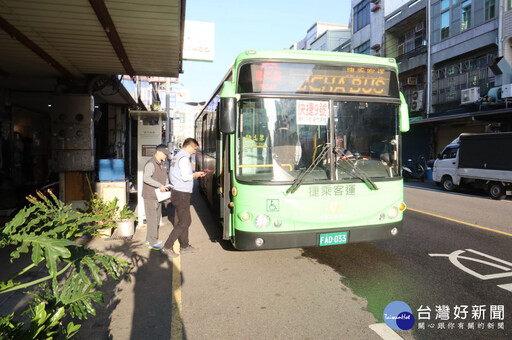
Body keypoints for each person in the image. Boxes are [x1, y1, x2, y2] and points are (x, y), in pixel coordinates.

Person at [161, 138, 205, 258]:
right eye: (194, 149)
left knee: (185, 221)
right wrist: (195, 175)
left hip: (178, 192)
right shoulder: (184, 158)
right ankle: (167, 246)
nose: (194, 152)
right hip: (181, 194)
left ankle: (185, 246)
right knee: (184, 222)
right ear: (189, 147)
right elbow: (186, 177)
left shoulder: (177, 156)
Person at [142, 144, 171, 250]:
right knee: (152, 219)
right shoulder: (151, 164)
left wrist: (167, 185)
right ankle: (152, 242)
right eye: (164, 154)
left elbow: (164, 176)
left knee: (156, 218)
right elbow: (146, 178)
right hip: (150, 195)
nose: (165, 156)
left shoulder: (162, 163)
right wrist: (160, 185)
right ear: (158, 152)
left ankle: (149, 239)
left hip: (158, 195)